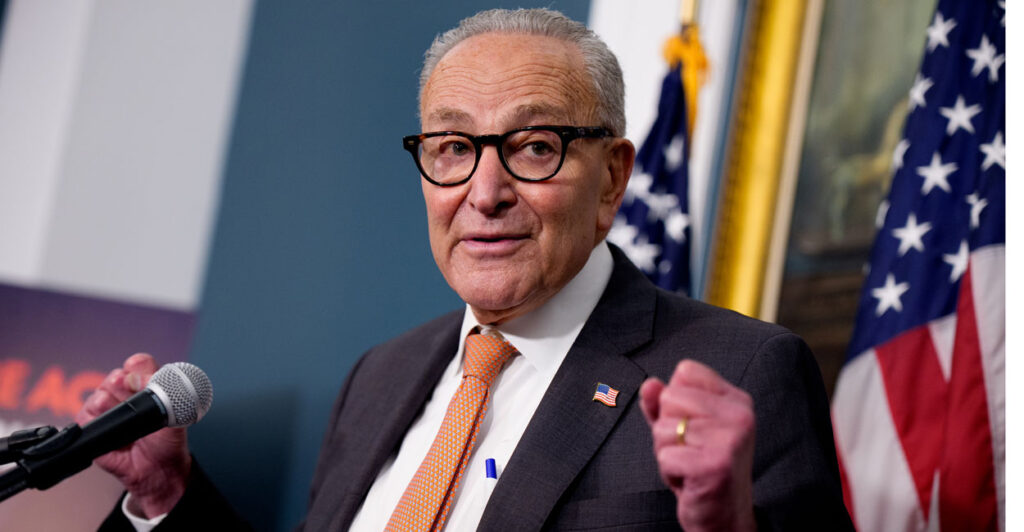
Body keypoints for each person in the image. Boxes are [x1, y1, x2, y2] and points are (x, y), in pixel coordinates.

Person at [80, 8, 852, 531]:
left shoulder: (743, 368)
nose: (484, 194)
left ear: (613, 177)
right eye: (453, 148)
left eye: (534, 146)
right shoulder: (380, 377)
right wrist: (168, 495)